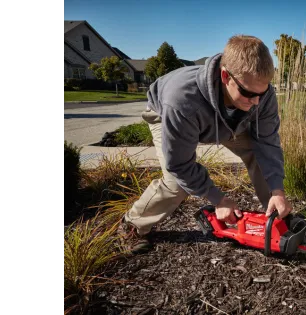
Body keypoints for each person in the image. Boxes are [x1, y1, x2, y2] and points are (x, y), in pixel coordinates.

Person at [118, 35, 292, 254]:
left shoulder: (259, 94)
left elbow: (267, 143)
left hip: (229, 121)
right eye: (248, 93)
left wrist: (278, 190)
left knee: (259, 155)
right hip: (167, 114)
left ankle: (276, 217)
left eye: (262, 93)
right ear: (225, 76)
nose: (257, 101)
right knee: (177, 183)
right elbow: (180, 165)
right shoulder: (182, 100)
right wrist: (218, 199)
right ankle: (133, 225)